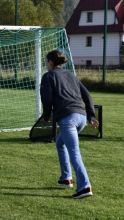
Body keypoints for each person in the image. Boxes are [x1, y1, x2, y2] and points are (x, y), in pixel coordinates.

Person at [40, 50, 99, 199]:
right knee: (60, 144)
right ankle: (66, 178)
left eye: (46, 62)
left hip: (68, 120)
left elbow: (47, 99)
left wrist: (46, 116)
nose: (46, 65)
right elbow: (87, 96)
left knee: (74, 153)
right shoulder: (71, 75)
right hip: (81, 118)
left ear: (51, 62)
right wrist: (91, 115)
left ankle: (85, 187)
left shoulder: (48, 76)